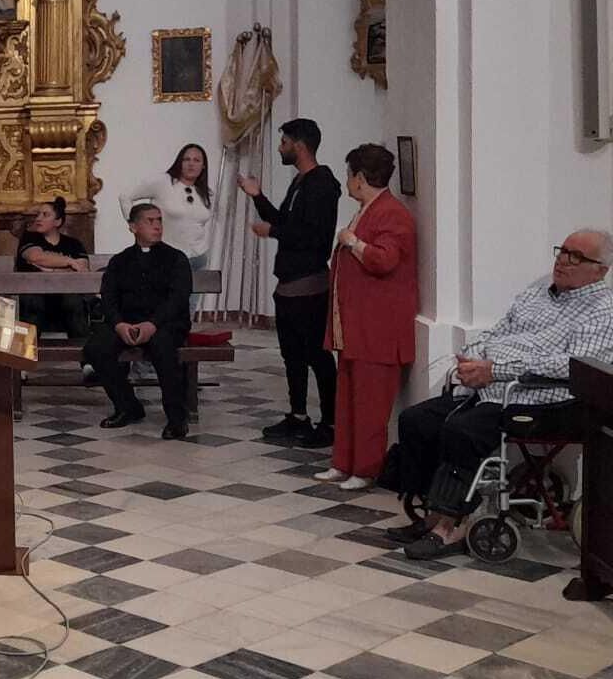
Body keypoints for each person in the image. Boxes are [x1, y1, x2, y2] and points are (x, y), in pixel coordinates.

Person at [388, 230, 613, 560]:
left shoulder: (601, 310)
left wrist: (497, 370)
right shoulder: (537, 294)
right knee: (416, 420)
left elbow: (572, 364)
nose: (563, 261)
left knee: (463, 430)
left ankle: (450, 527)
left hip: (543, 397)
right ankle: (430, 514)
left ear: (600, 270)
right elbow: (497, 332)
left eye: (576, 257)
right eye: (562, 251)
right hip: (490, 386)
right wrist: (471, 357)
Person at [317, 144, 417, 490]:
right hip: (356, 324)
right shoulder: (367, 209)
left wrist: (353, 242)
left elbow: (384, 260)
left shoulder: (392, 213)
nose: (348, 181)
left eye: (349, 174)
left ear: (360, 178)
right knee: (348, 397)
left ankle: (366, 467)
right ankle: (343, 461)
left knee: (371, 403)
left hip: (378, 328)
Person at [238, 118, 340, 448]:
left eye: (283, 142)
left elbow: (313, 236)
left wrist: (273, 231)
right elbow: (284, 221)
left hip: (310, 284)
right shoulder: (300, 181)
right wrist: (257, 196)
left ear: (299, 144)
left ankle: (331, 422)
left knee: (317, 356)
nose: (280, 147)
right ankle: (298, 416)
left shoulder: (322, 184)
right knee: (292, 355)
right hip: (289, 283)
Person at [84, 204, 194, 439]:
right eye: (149, 221)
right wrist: (118, 325)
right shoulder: (120, 261)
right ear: (133, 227)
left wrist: (152, 324)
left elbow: (177, 298)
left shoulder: (176, 259)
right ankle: (128, 406)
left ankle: (177, 418)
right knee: (96, 348)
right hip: (127, 324)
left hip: (165, 324)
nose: (157, 226)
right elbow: (109, 297)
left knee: (163, 347)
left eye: (159, 221)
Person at [117, 143, 215, 312]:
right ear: (179, 162)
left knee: (189, 309)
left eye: (197, 160)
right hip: (169, 257)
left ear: (203, 165)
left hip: (198, 257)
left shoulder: (207, 193)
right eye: (187, 159)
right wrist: (133, 224)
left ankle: (183, 338)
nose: (191, 164)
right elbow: (125, 196)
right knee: (165, 306)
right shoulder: (163, 182)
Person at [16, 196, 93, 341]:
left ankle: (85, 360)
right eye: (38, 214)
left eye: (45, 215)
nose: (38, 218)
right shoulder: (29, 239)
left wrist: (49, 269)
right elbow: (36, 257)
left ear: (58, 221)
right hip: (36, 297)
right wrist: (69, 262)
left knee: (74, 302)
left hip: (65, 297)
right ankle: (25, 357)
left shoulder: (73, 244)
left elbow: (82, 269)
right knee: (33, 302)